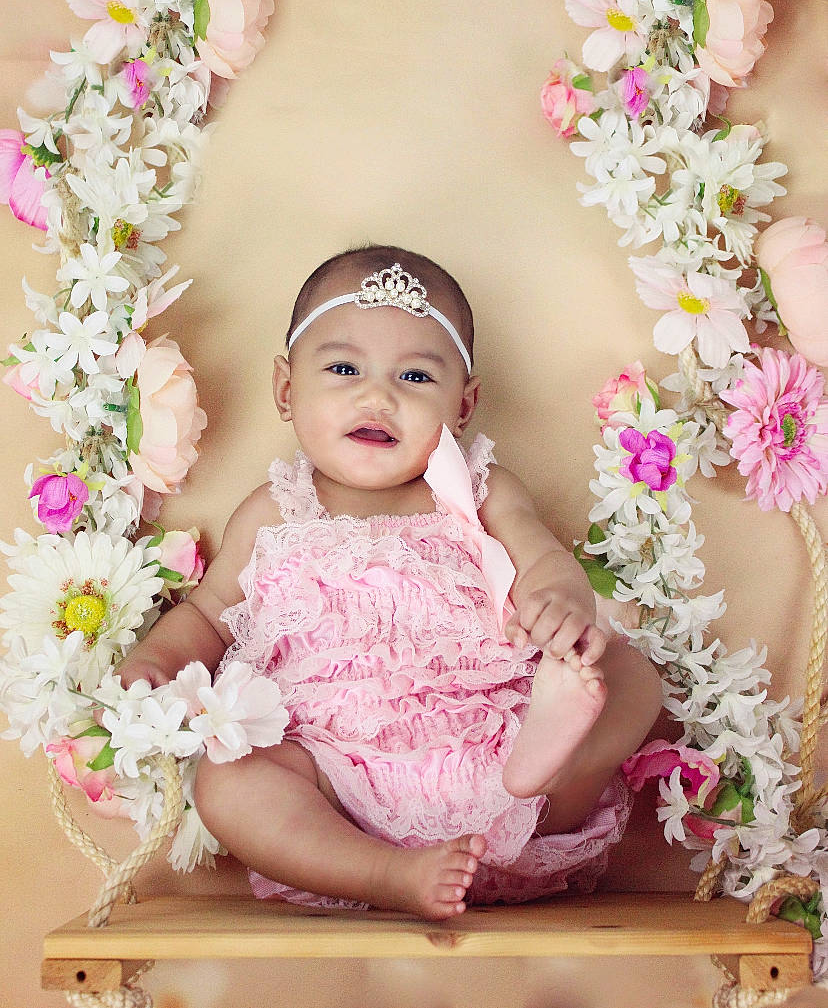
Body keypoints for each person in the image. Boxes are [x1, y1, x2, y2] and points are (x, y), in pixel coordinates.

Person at [118, 245, 663, 920]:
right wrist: (154, 663)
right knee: (229, 784)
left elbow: (546, 558)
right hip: (333, 777)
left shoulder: (479, 489)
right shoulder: (275, 510)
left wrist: (560, 606)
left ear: (463, 405)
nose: (378, 395)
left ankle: (543, 773)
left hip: (495, 752)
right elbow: (208, 615)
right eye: (343, 367)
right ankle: (388, 871)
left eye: (414, 376)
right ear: (287, 390)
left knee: (631, 674)